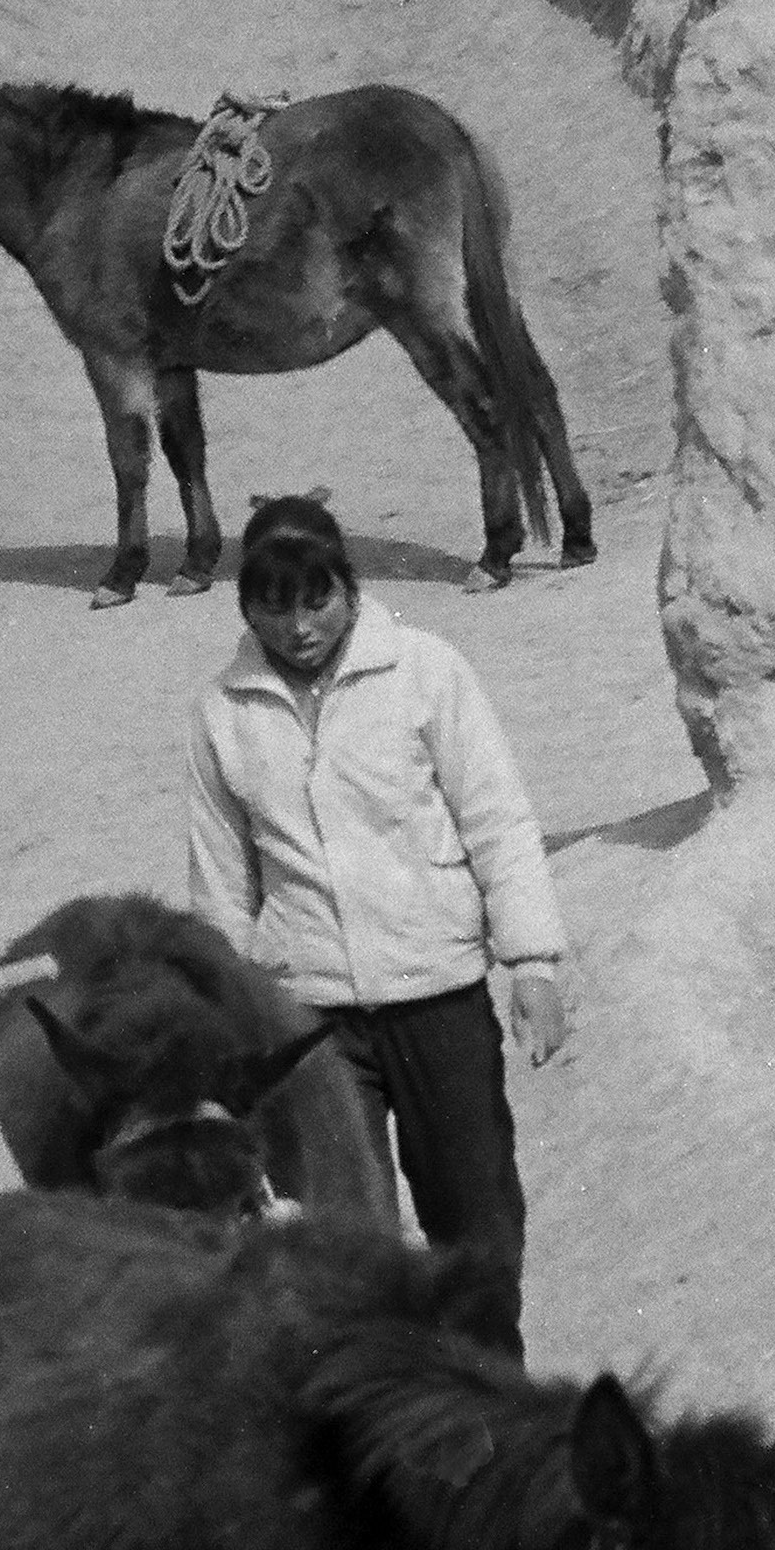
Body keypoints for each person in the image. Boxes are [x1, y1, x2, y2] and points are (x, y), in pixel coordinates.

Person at [185, 490, 568, 1352]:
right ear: (245, 605)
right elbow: (219, 887)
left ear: (349, 589)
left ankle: (489, 1410)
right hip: (309, 1023)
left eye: (314, 598)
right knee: (343, 1248)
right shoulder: (222, 713)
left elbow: (497, 820)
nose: (297, 626)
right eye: (271, 604)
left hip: (436, 996)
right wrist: (229, 1035)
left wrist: (533, 962)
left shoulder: (427, 673)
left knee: (478, 1234)